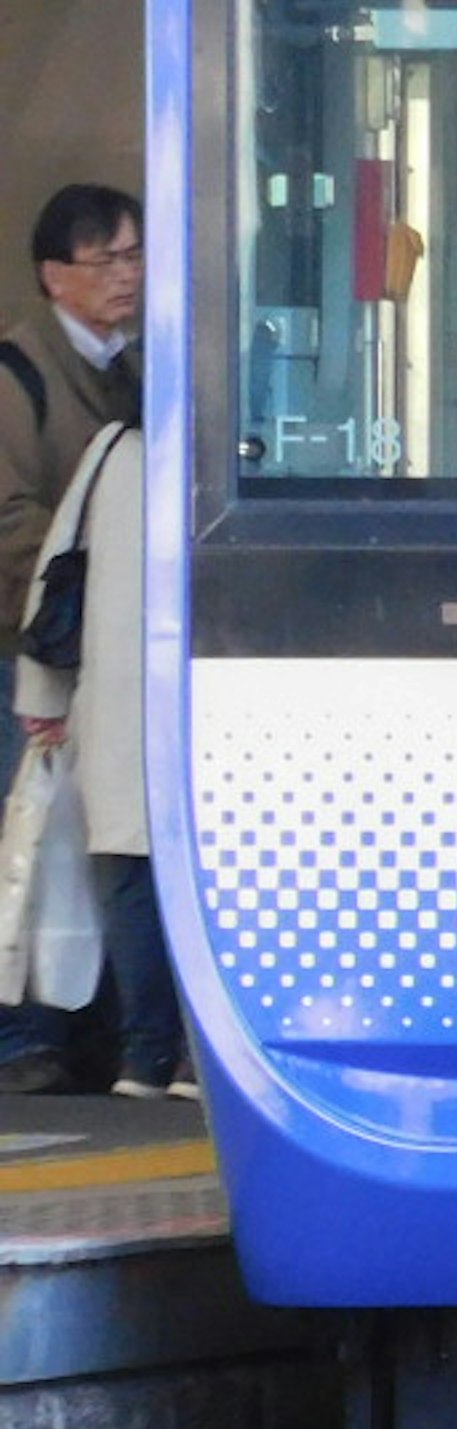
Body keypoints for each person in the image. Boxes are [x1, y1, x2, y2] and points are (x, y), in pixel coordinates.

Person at [0, 186, 142, 1093]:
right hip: (33, 653)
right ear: (56, 276)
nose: (128, 275)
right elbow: (11, 522)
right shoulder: (20, 377)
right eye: (109, 260)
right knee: (25, 839)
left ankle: (89, 1028)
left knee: (94, 837)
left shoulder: (138, 368)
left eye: (135, 256)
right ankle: (23, 1037)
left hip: (103, 654)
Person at [16, 419, 191, 1100]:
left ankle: (145, 1054)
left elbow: (58, 575)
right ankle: (189, 1057)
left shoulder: (114, 451)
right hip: (200, 704)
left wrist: (43, 696)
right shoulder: (252, 460)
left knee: (129, 875)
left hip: (121, 706)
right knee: (183, 879)